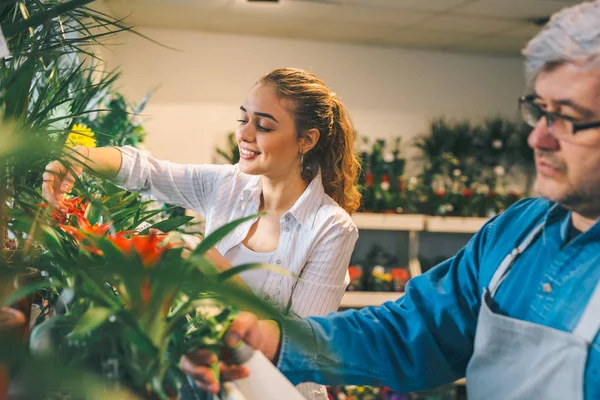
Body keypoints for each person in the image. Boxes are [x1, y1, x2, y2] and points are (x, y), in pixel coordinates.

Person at [179, 2, 600, 399]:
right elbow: (412, 333)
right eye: (539, 110)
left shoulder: (327, 224)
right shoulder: (517, 232)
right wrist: (272, 339)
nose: (538, 138)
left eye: (569, 118)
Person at [42, 68, 361, 399]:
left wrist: (213, 265)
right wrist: (79, 158)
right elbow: (149, 173)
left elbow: (303, 343)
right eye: (243, 120)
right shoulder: (228, 186)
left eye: (264, 126)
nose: (245, 135)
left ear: (306, 140)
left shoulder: (331, 227)